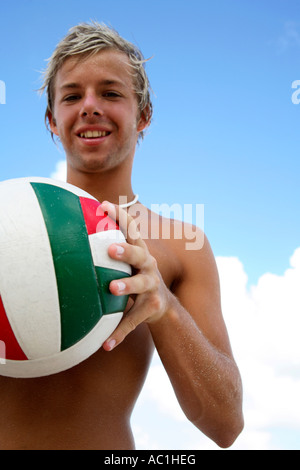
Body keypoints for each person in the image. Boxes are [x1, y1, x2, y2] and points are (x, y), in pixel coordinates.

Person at [0, 22, 243, 450]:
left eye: (110, 93)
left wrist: (162, 305)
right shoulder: (6, 222)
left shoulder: (181, 246)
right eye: (72, 96)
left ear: (143, 114)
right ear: (52, 120)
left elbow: (226, 425)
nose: (89, 106)